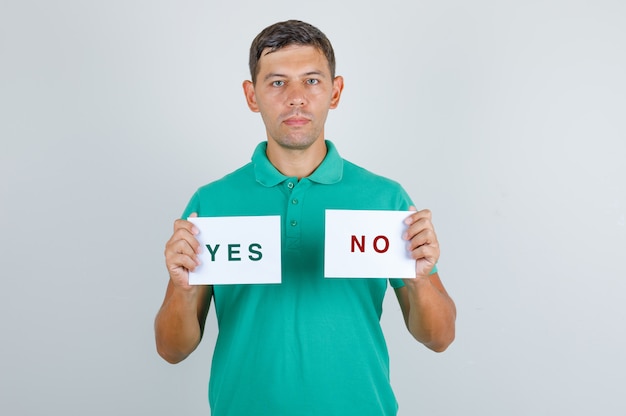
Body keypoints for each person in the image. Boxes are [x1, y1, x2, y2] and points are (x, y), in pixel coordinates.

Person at [154, 19, 456, 416]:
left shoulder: (386, 199)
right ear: (251, 95)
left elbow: (439, 337)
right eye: (277, 82)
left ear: (335, 91)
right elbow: (172, 350)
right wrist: (182, 287)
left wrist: (418, 278)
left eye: (312, 81)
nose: (296, 97)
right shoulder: (211, 203)